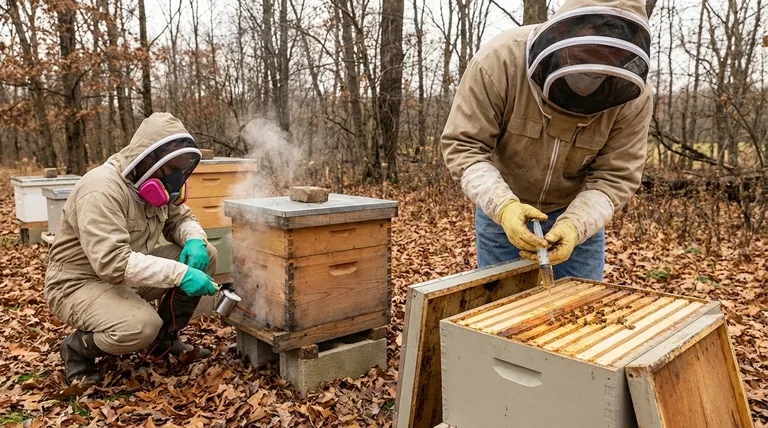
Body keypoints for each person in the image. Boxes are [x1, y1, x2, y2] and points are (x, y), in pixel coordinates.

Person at [442, 0, 653, 280]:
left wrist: (575, 226)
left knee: (581, 309)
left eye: (610, 56)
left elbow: (616, 176)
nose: (593, 67)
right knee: (499, 312)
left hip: (576, 210)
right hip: (504, 205)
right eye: (586, 51)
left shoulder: (634, 98)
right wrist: (503, 207)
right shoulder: (500, 60)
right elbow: (464, 146)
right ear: (565, 30)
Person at [45, 112, 219, 385]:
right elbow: (114, 263)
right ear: (149, 159)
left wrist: (194, 239)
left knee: (206, 255)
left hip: (126, 276)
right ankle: (77, 349)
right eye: (174, 169)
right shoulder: (101, 189)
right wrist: (179, 274)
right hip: (78, 283)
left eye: (182, 170)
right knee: (141, 326)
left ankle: (164, 341)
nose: (177, 178)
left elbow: (182, 219)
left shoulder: (154, 182)